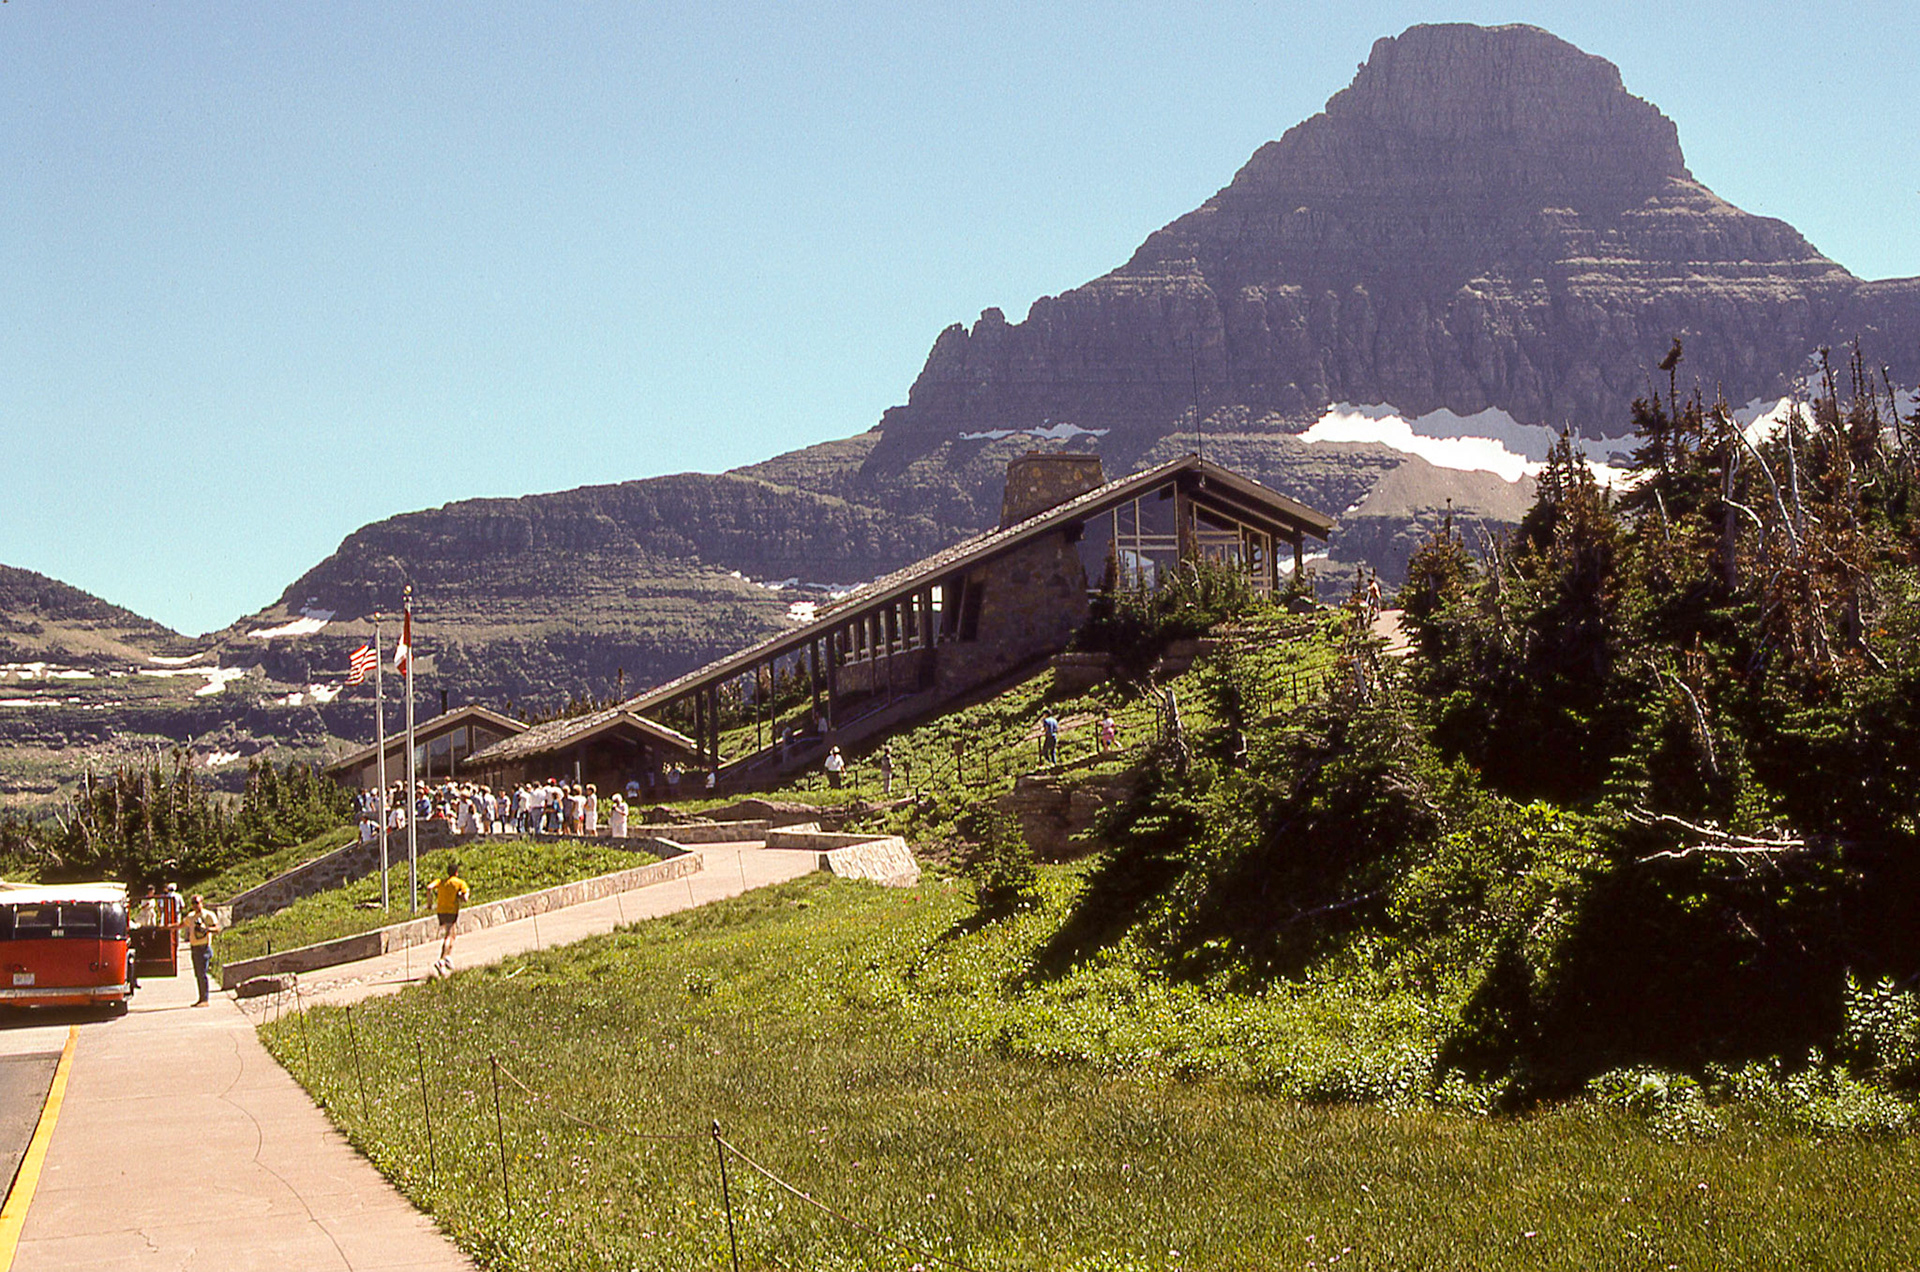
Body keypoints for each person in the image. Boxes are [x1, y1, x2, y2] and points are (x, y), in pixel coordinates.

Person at [429, 859, 470, 962]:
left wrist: (429, 903)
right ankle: (442, 959)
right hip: (451, 911)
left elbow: (429, 887)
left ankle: (447, 956)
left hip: (440, 911)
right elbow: (465, 898)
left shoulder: (441, 881)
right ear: (456, 872)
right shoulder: (460, 883)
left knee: (453, 934)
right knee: (449, 935)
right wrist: (461, 895)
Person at [183, 894, 220, 1005]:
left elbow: (217, 929)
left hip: (204, 948)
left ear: (202, 903)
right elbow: (181, 924)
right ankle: (201, 998)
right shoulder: (191, 916)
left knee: (202, 973)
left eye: (197, 903)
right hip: (194, 948)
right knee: (198, 974)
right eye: (193, 903)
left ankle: (205, 999)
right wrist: (167, 927)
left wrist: (206, 929)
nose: (195, 905)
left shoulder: (208, 915)